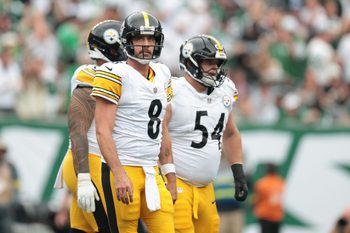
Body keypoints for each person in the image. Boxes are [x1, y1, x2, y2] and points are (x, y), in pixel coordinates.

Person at [92, 11, 176, 233]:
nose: (146, 45)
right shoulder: (114, 72)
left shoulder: (163, 72)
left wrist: (170, 174)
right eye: (140, 38)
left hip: (151, 170)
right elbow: (102, 130)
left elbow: (162, 129)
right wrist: (118, 173)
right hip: (123, 167)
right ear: (127, 41)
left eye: (151, 39)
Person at [166, 34, 248, 233]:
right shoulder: (173, 90)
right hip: (178, 184)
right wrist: (167, 176)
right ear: (190, 62)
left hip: (207, 188)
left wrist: (238, 173)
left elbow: (230, 134)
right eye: (208, 62)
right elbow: (157, 135)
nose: (215, 67)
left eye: (217, 63)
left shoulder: (225, 90)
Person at [58, 19, 126, 233]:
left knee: (81, 230)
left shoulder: (122, 74)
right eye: (122, 44)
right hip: (89, 163)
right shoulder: (89, 75)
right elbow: (77, 129)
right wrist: (85, 177)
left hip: (92, 163)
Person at [253, 163, 285, 233]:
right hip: (277, 215)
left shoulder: (262, 183)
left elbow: (256, 199)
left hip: (265, 215)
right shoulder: (280, 182)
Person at [0, 142, 19, 233]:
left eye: (2, 151)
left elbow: (17, 184)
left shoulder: (10, 166)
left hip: (6, 205)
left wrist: (15, 199)